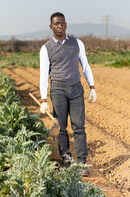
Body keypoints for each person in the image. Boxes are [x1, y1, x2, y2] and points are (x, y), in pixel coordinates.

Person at [39, 12, 97, 175]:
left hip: (76, 88)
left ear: (66, 24)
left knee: (79, 126)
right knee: (61, 127)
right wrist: (44, 99)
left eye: (62, 23)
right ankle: (66, 159)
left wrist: (92, 87)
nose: (60, 26)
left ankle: (81, 162)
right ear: (51, 27)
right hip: (58, 90)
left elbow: (85, 65)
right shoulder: (46, 49)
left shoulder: (77, 43)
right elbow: (44, 74)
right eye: (57, 24)